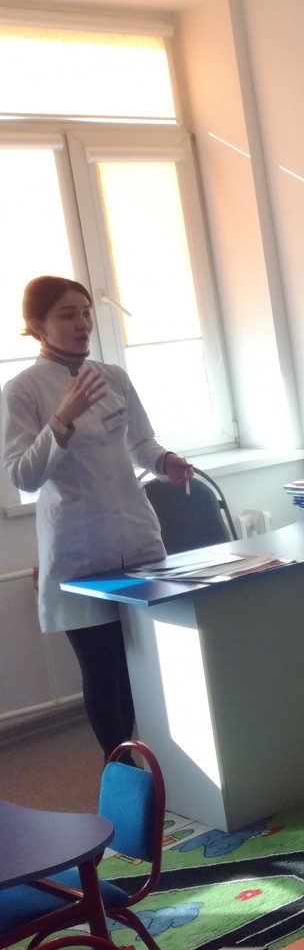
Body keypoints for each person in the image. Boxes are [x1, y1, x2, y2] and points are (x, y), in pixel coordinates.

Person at [1, 275, 193, 760]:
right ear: (36, 325)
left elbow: (140, 443)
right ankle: (121, 768)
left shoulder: (114, 376)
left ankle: (173, 764)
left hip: (136, 540)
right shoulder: (21, 391)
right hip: (79, 552)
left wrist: (164, 461)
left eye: (86, 312)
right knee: (104, 670)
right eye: (67, 314)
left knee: (149, 663)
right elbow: (23, 475)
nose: (82, 323)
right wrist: (61, 420)